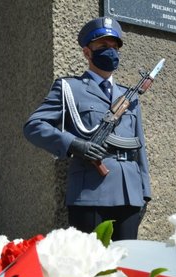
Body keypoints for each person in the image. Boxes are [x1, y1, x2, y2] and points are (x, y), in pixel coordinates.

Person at [23, 17, 151, 240]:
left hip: (130, 193)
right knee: (93, 268)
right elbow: (34, 126)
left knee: (127, 268)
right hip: (91, 193)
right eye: (103, 47)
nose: (110, 52)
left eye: (114, 47)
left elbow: (139, 146)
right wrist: (73, 144)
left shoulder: (128, 96)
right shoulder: (68, 88)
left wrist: (144, 193)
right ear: (86, 52)